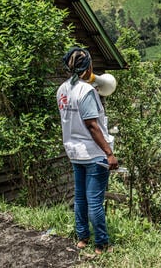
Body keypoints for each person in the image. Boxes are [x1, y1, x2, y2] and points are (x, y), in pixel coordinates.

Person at [56, 47, 118, 254]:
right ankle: (101, 243)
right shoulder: (87, 92)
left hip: (74, 153)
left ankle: (82, 238)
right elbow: (92, 125)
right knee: (95, 202)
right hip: (93, 154)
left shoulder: (62, 90)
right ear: (88, 66)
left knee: (81, 198)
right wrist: (109, 153)